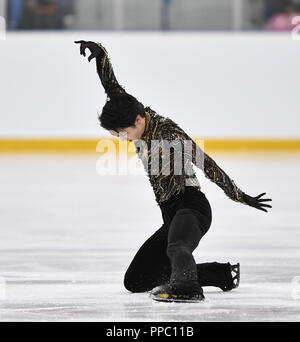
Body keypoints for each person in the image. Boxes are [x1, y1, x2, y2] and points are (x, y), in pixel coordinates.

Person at [74, 40, 272, 303]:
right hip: (170, 213)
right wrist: (101, 55)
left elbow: (206, 163)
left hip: (192, 208)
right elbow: (113, 89)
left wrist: (239, 195)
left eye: (123, 133)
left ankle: (189, 288)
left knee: (177, 247)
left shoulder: (169, 133)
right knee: (137, 280)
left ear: (138, 120)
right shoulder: (132, 113)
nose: (122, 139)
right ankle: (219, 274)